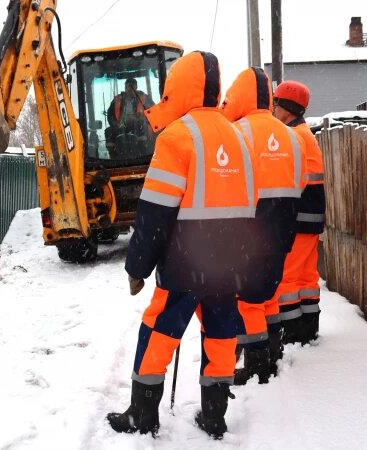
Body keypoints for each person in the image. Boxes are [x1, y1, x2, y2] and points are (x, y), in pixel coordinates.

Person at [106, 51, 261, 440]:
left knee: (160, 331)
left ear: (177, 87)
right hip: (228, 263)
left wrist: (137, 268)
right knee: (223, 332)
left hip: (187, 263)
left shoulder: (176, 137)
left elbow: (155, 214)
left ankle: (143, 415)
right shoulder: (239, 138)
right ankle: (214, 415)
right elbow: (251, 205)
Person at [220, 68, 307, 385]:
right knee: (268, 294)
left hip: (250, 225)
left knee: (247, 300)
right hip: (283, 225)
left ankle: (257, 363)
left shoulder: (236, 133)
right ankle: (272, 351)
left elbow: (226, 182)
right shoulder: (290, 136)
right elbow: (300, 182)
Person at [271, 80, 326, 346]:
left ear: (288, 108)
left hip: (300, 216)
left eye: (276, 104)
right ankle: (308, 327)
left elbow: (293, 181)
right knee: (306, 276)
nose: (273, 109)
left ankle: (292, 333)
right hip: (312, 216)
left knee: (288, 277)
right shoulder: (305, 133)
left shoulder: (293, 137)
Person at [105, 78, 154, 157]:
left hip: (139, 126)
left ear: (136, 87)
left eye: (132, 87)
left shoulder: (144, 99)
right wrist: (116, 125)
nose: (130, 89)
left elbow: (153, 112)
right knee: (108, 131)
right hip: (120, 127)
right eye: (128, 86)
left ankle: (145, 155)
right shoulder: (117, 99)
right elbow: (110, 115)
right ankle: (113, 157)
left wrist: (140, 120)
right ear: (125, 87)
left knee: (144, 129)